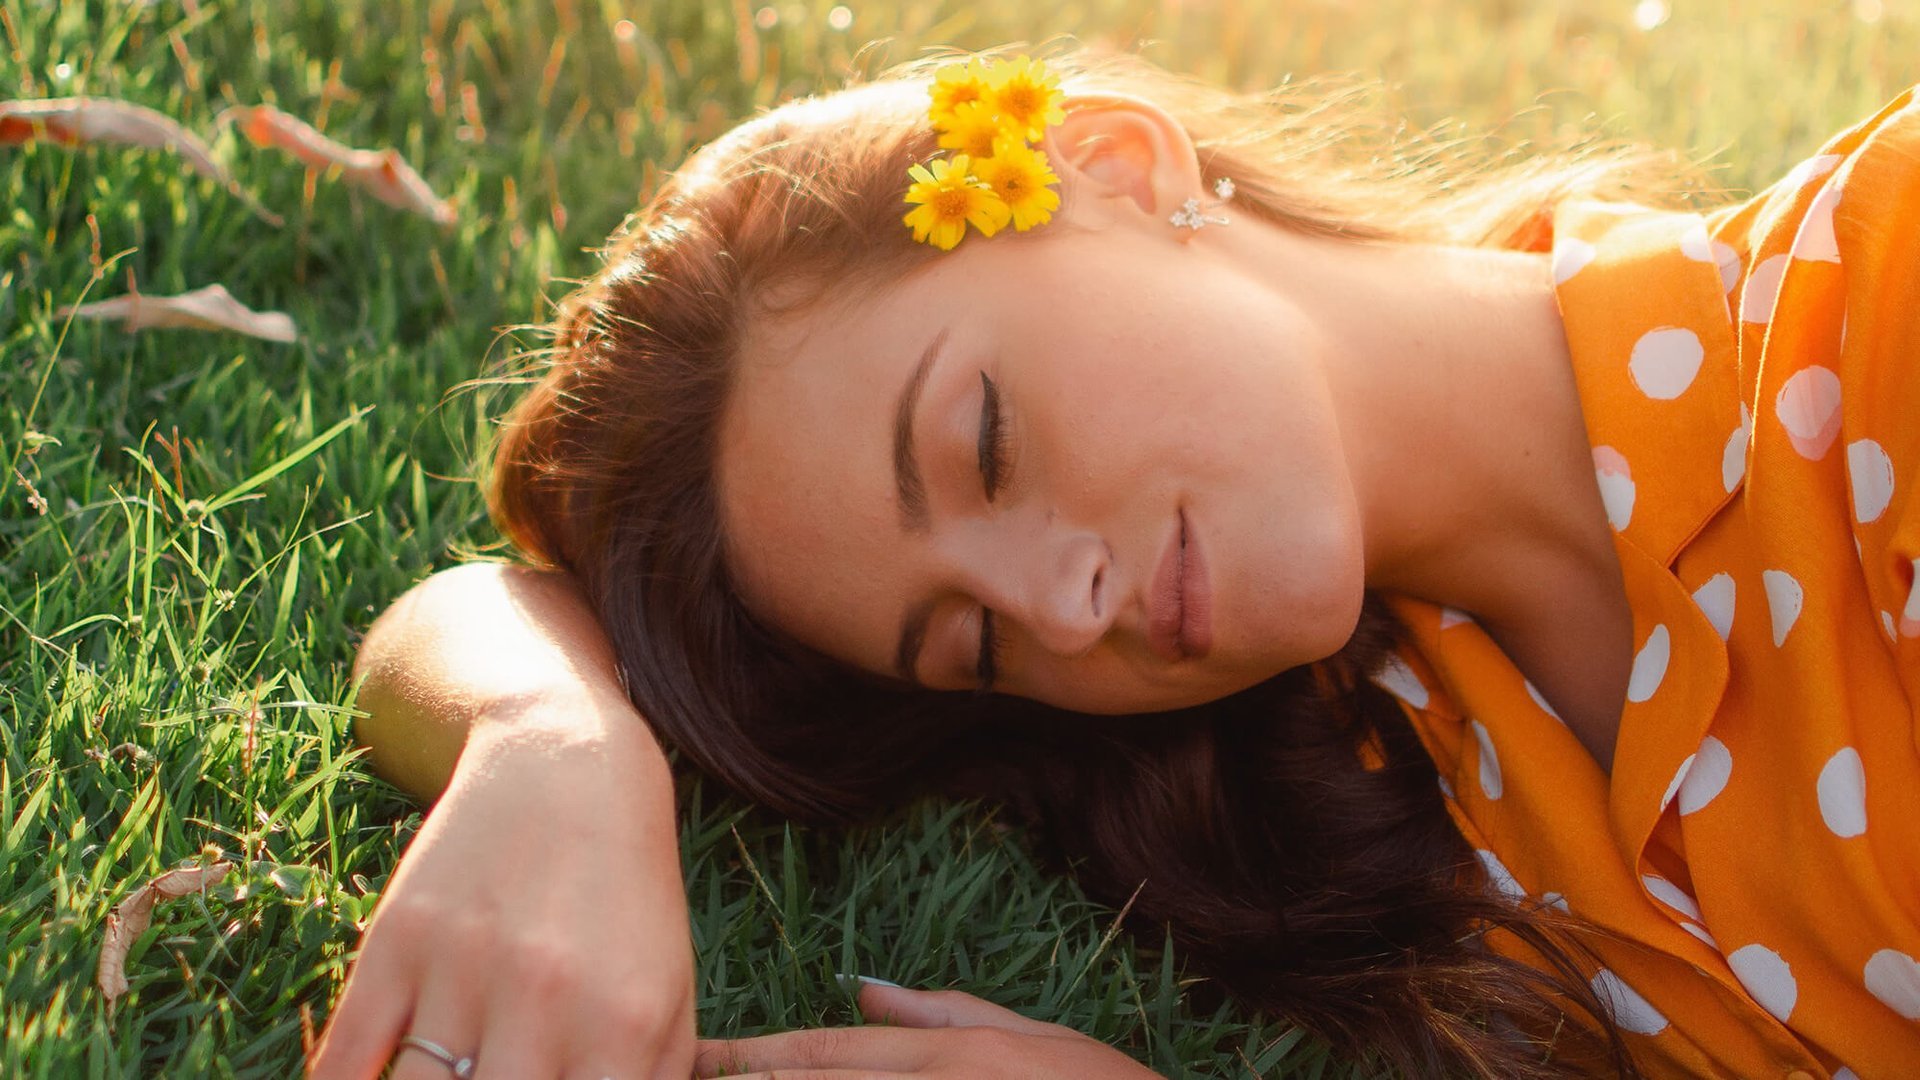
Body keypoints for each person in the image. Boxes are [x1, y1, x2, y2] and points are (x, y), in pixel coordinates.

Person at [305, 43, 1920, 1080]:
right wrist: (554, 750)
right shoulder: (1445, 789)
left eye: (987, 445)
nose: (1064, 606)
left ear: (1119, 170)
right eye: (977, 648)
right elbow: (482, 613)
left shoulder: (1884, 292)